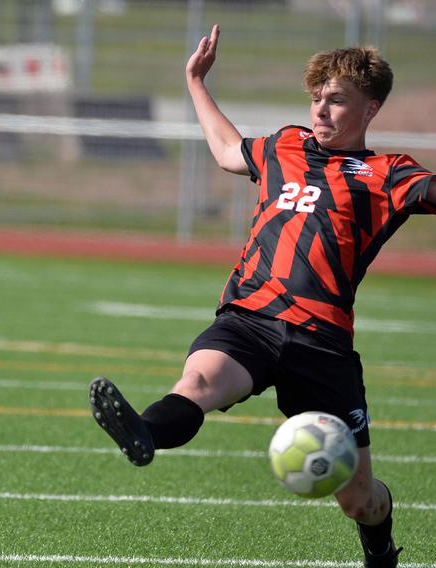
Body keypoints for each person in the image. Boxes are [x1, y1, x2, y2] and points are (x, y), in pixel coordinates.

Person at [89, 24, 435, 568]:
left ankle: (381, 548)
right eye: (317, 98)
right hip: (249, 318)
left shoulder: (387, 173)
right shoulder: (285, 145)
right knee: (197, 381)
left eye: (337, 100)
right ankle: (144, 432)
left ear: (371, 109)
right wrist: (196, 81)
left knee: (359, 502)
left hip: (322, 344)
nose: (321, 110)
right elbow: (228, 150)